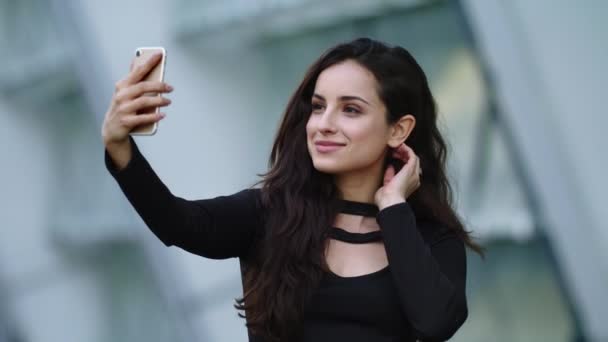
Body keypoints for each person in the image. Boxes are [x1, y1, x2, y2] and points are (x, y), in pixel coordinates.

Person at [101, 37, 484, 342]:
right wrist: (119, 146)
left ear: (398, 129)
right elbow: (177, 223)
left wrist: (393, 208)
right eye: (318, 107)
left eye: (350, 110)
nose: (323, 124)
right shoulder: (269, 214)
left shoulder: (430, 238)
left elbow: (435, 324)